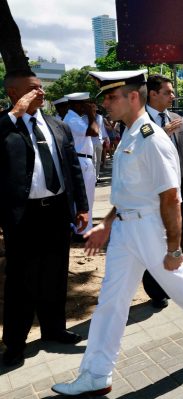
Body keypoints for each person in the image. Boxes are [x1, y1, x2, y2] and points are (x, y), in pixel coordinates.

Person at [52, 70, 183, 396]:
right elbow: (128, 193)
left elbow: (170, 197)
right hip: (126, 231)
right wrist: (107, 223)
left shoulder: (151, 139)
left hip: (150, 230)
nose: (105, 104)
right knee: (110, 303)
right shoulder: (128, 135)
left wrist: (174, 248)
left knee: (181, 287)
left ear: (133, 97)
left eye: (111, 97)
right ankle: (96, 374)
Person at [0, 70, 89, 367]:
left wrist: (82, 205)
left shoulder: (57, 125)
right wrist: (14, 115)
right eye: (32, 88)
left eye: (41, 87)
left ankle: (54, 329)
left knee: (55, 273)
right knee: (21, 281)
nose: (40, 92)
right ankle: (14, 343)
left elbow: (72, 169)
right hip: (23, 216)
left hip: (56, 212)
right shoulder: (5, 126)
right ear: (14, 93)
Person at [143, 74, 183, 309]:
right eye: (167, 92)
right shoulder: (139, 120)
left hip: (178, 193)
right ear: (153, 94)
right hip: (153, 196)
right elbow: (138, 151)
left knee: (176, 242)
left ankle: (173, 284)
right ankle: (156, 292)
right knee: (155, 243)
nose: (173, 96)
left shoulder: (176, 118)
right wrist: (162, 133)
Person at [63, 92, 98, 236]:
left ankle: (83, 229)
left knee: (87, 197)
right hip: (81, 160)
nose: (87, 106)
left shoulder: (76, 117)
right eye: (85, 103)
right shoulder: (72, 119)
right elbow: (94, 131)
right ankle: (82, 231)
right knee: (84, 198)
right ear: (76, 104)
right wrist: (91, 115)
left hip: (84, 159)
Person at [92, 108, 109, 184]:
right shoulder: (85, 118)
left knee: (98, 160)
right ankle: (93, 178)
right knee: (93, 160)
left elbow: (102, 128)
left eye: (94, 107)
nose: (94, 109)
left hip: (99, 140)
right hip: (91, 141)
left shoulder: (100, 117)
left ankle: (97, 176)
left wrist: (106, 137)